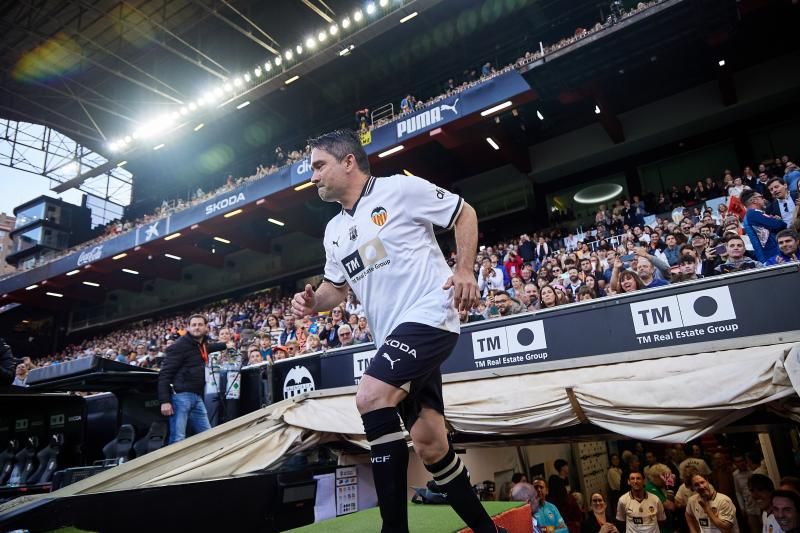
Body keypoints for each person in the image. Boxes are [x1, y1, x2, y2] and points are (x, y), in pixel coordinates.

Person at [291, 130, 502, 533]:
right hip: (392, 337)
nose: (313, 176)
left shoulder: (399, 190)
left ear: (348, 161)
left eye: (319, 166)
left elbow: (464, 213)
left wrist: (464, 269)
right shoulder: (334, 230)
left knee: (371, 397)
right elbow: (336, 289)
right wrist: (312, 303)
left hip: (431, 314)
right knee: (430, 443)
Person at [158, 314, 233, 444]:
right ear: (188, 327)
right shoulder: (179, 346)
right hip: (181, 397)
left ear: (206, 328)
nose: (196, 328)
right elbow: (165, 374)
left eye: (200, 325)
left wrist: (224, 345)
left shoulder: (200, 344)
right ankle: (176, 464)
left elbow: (208, 349)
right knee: (178, 439)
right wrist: (164, 400)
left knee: (208, 436)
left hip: (196, 397)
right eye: (194, 325)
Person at [741, 190, 786, 263]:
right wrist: (779, 221)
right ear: (754, 200)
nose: (763, 199)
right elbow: (779, 225)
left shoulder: (753, 214)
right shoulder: (752, 214)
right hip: (771, 257)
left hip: (772, 255)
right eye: (761, 197)